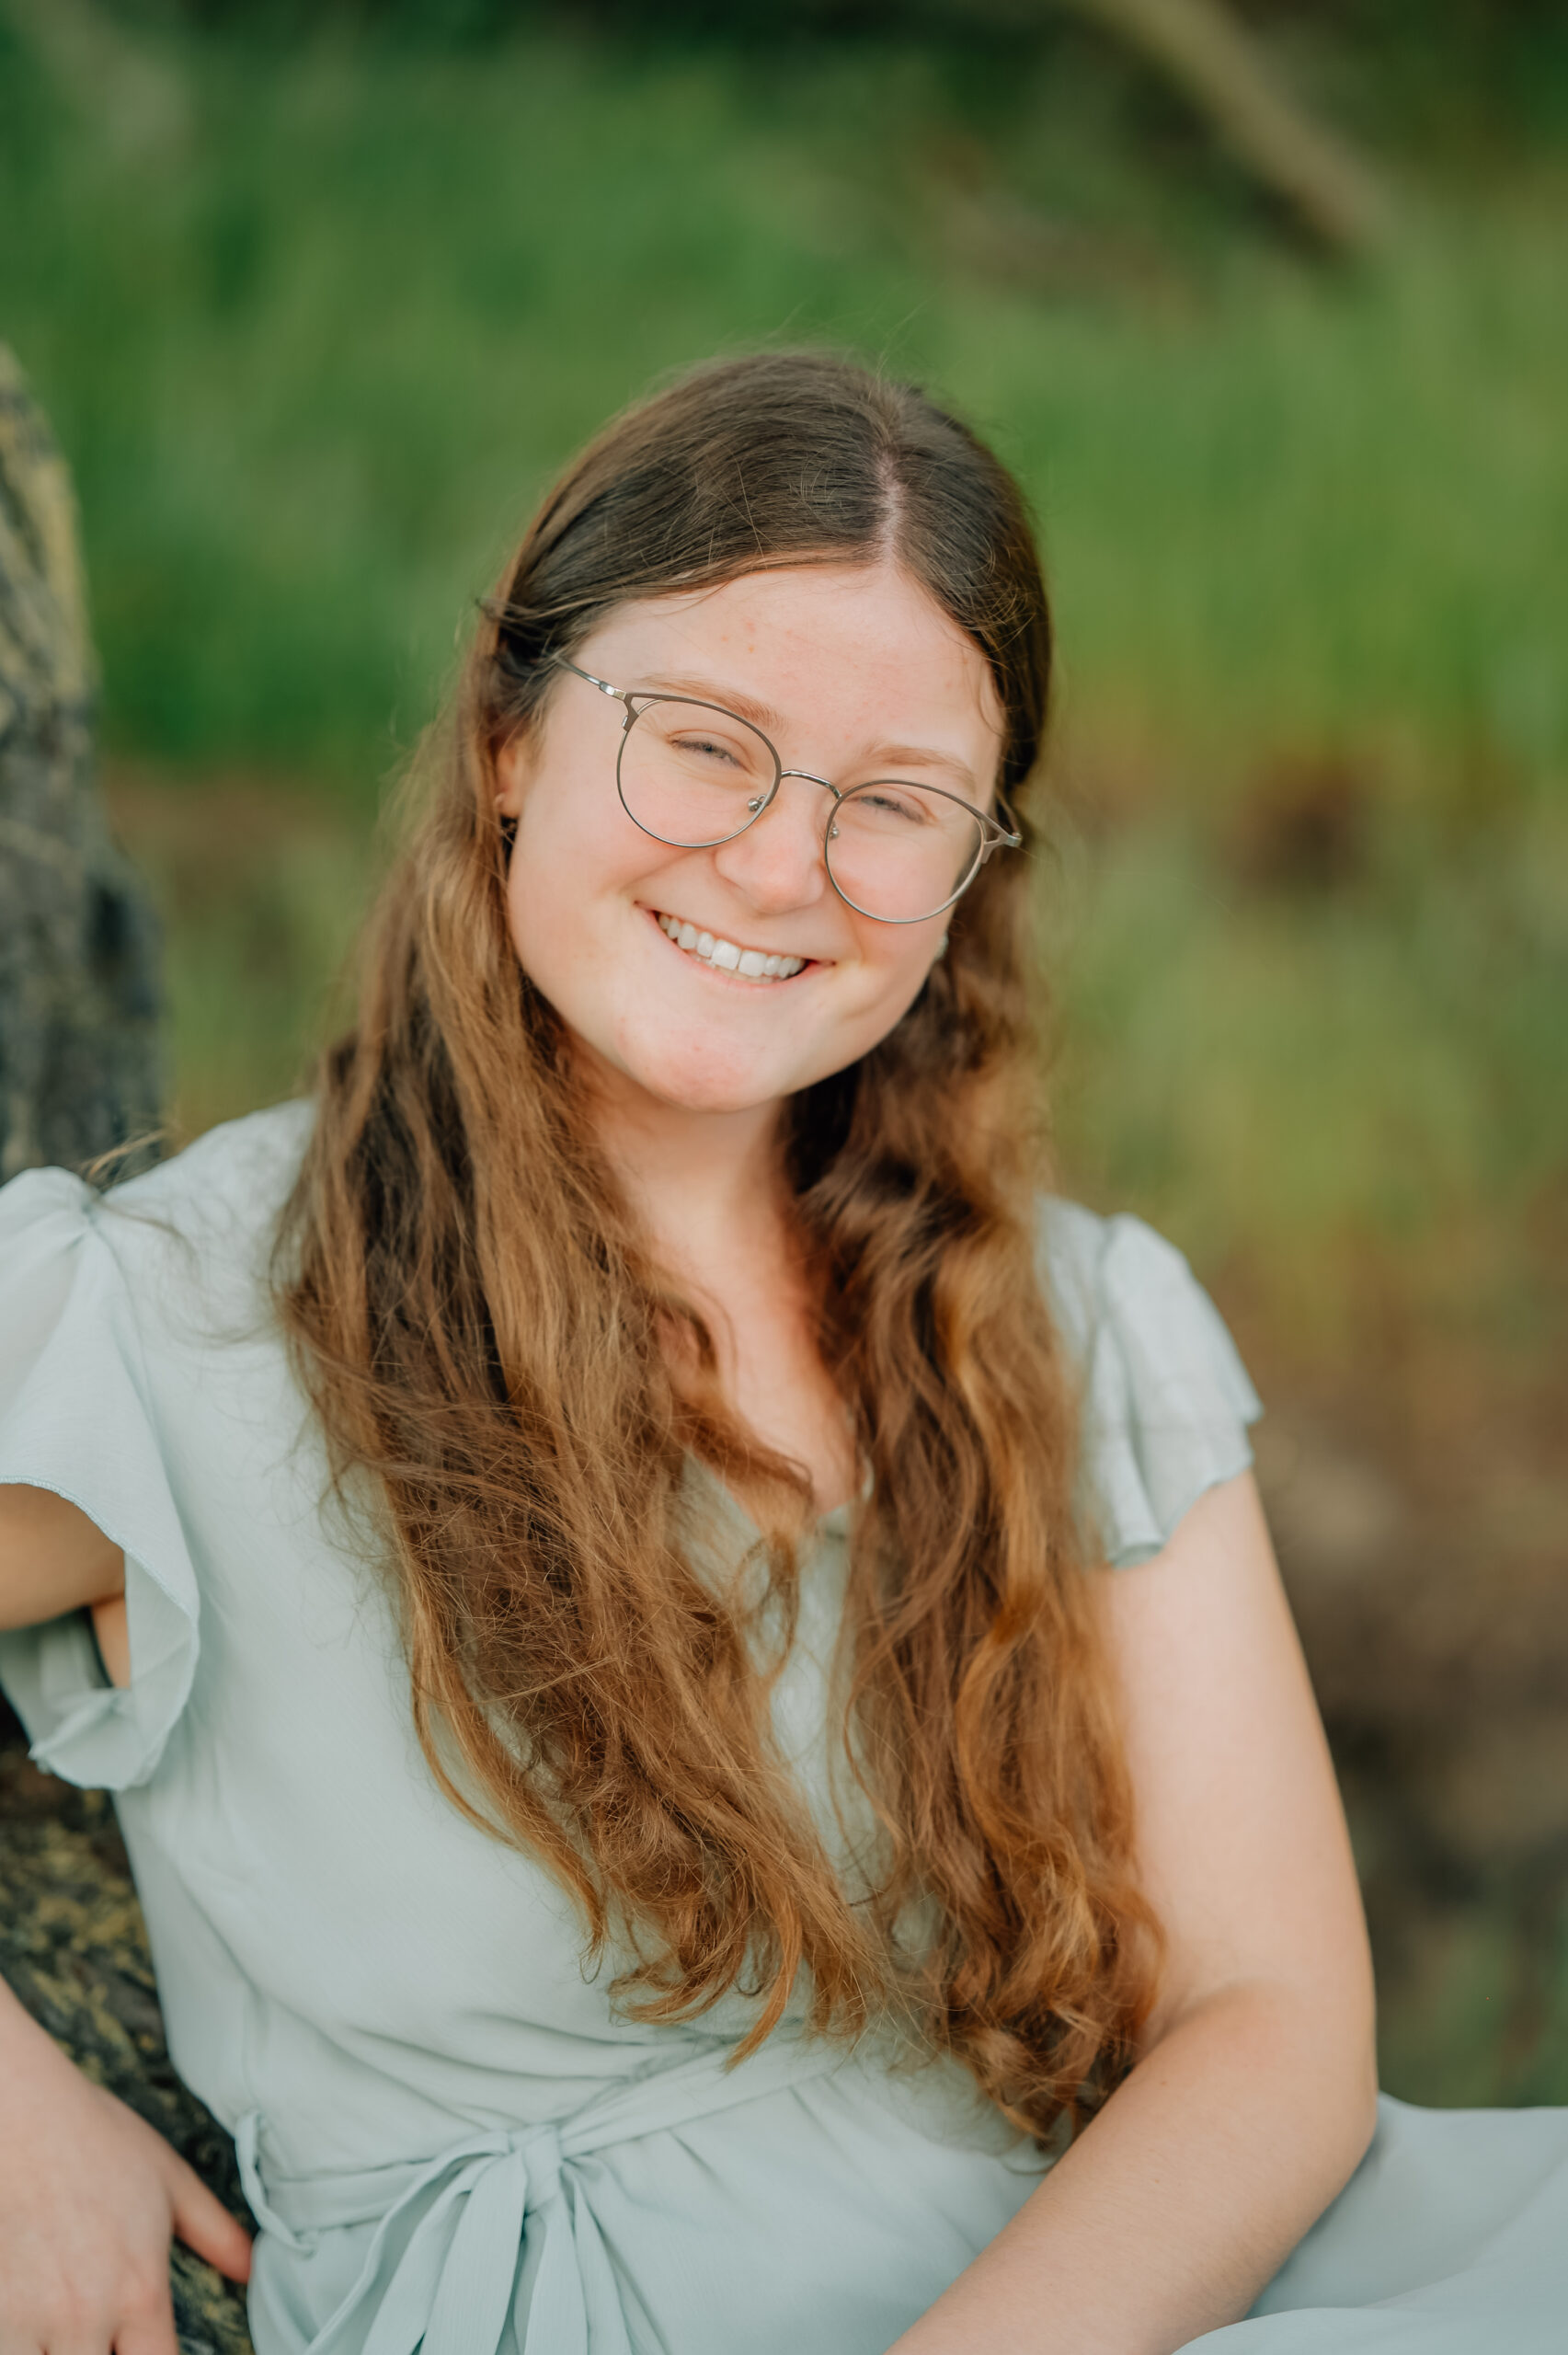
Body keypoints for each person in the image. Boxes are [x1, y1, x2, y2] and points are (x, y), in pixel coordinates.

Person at [0, 352, 1562, 2355]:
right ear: (506, 737)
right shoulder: (187, 1315)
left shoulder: (1076, 1320)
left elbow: (1271, 2023)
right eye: (706, 743)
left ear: (971, 861)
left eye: (893, 803)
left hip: (1132, 2293)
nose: (775, 863)